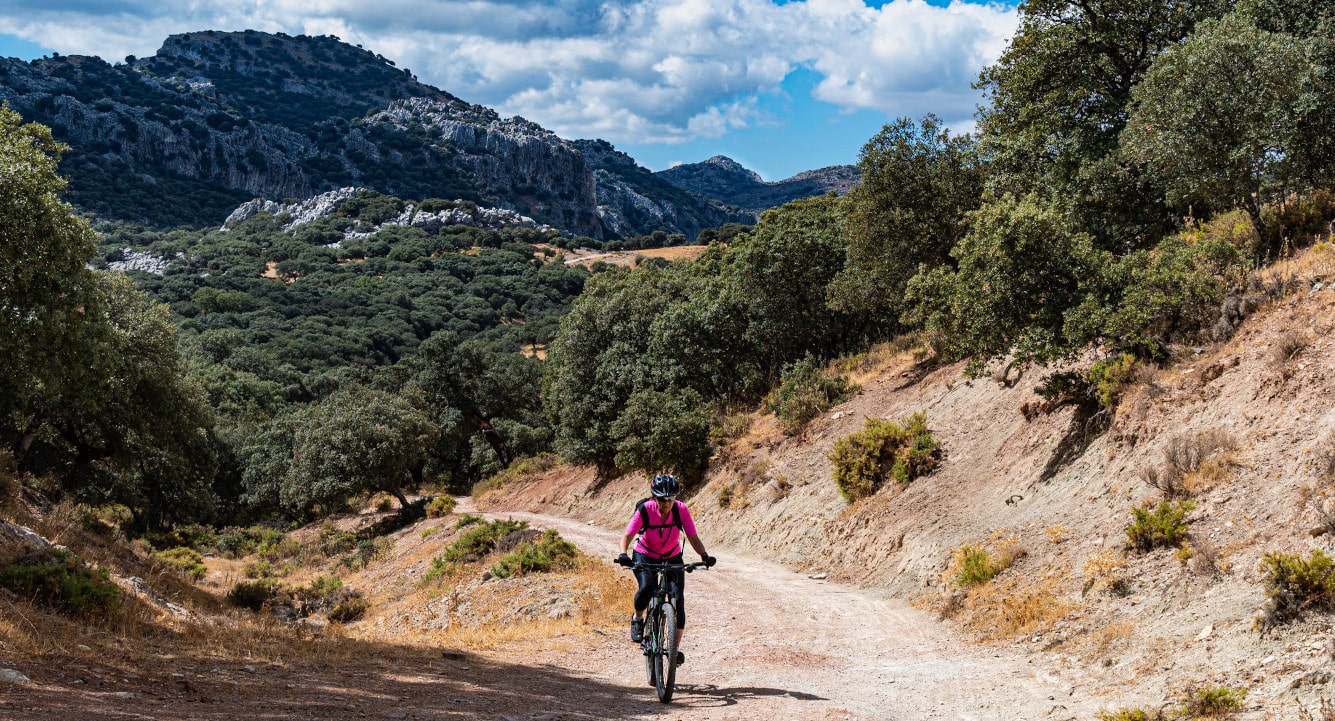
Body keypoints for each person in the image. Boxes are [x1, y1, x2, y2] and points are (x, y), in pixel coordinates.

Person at [615, 473, 715, 665]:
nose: (667, 503)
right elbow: (627, 535)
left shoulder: (681, 510)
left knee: (678, 599)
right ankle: (638, 618)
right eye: (662, 499)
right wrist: (623, 554)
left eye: (671, 498)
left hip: (672, 555)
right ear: (654, 497)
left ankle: (674, 649)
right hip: (645, 554)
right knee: (646, 587)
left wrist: (704, 556)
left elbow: (693, 537)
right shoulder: (645, 510)